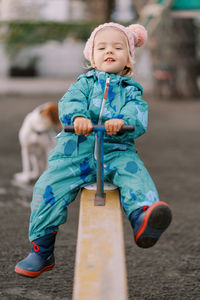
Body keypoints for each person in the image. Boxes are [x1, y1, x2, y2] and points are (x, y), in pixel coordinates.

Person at [15, 22, 172, 278]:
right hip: (76, 151)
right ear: (92, 56)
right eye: (102, 47)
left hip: (116, 150)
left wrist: (122, 122)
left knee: (135, 173)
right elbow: (70, 102)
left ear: (128, 60)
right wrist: (77, 117)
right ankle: (41, 250)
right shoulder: (83, 84)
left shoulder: (131, 92)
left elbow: (138, 114)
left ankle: (143, 216)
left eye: (118, 47)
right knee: (48, 187)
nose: (109, 51)